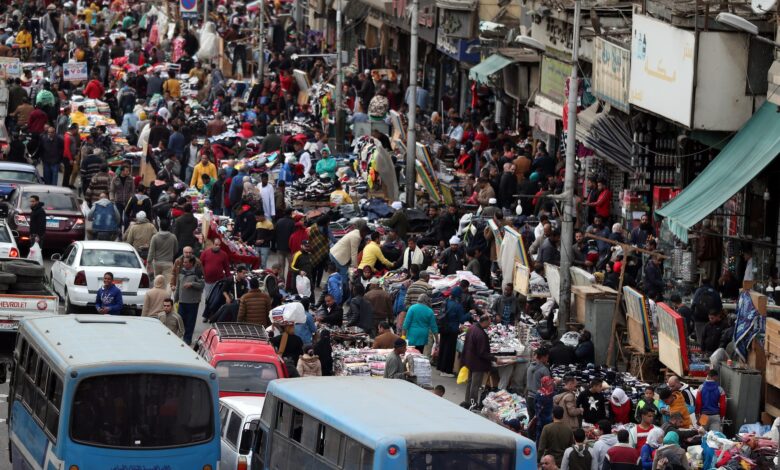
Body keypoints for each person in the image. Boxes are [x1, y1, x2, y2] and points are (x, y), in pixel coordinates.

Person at [462, 314, 494, 407]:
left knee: (470, 382)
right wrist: (494, 358)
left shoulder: (472, 328)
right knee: (475, 385)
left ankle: (467, 402)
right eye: (489, 322)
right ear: (485, 322)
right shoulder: (480, 334)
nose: (489, 324)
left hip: (470, 360)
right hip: (477, 363)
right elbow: (482, 353)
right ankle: (473, 404)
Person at [437, 286, 469, 377]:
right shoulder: (458, 306)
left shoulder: (446, 301)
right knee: (449, 350)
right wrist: (469, 313)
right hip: (452, 330)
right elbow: (462, 319)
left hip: (443, 328)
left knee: (443, 348)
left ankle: (441, 368)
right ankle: (447, 371)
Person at [174, 256, 204, 345]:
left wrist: (192, 284)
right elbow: (178, 287)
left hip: (193, 302)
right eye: (183, 262)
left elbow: (202, 285)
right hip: (182, 301)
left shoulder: (197, 272)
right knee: (180, 321)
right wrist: (175, 299)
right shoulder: (181, 272)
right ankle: (178, 338)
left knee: (190, 322)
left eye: (186, 262)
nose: (184, 264)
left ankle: (187, 339)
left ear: (191, 263)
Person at [200, 238, 231, 305]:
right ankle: (208, 313)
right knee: (208, 298)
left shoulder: (224, 254)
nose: (218, 246)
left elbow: (227, 268)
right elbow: (200, 265)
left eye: (219, 245)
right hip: (208, 281)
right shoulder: (205, 253)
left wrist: (229, 278)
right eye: (216, 244)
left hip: (219, 281)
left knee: (217, 299)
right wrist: (202, 274)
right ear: (212, 244)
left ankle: (216, 314)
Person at [147, 219, 178, 285]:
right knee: (168, 283)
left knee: (157, 282)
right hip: (168, 263)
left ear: (160, 226)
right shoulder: (173, 237)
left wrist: (149, 262)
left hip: (157, 262)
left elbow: (151, 251)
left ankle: (158, 294)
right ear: (169, 227)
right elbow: (176, 250)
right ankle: (166, 295)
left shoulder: (155, 237)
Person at [526, 347, 552, 420]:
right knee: (540, 422)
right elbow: (549, 388)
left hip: (529, 398)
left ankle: (530, 431)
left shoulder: (530, 366)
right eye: (547, 357)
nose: (547, 359)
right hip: (539, 400)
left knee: (532, 421)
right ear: (543, 357)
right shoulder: (544, 370)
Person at [535, 376, 555, 443]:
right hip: (548, 418)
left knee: (540, 436)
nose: (551, 385)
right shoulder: (552, 394)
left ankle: (539, 450)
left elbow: (536, 406)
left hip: (541, 419)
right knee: (547, 437)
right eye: (550, 383)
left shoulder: (539, 393)